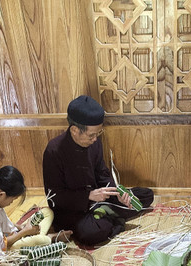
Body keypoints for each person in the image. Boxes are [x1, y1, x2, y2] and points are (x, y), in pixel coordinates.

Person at [42, 94, 153, 245]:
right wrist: (88, 196)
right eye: (91, 135)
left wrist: (118, 192)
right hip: (73, 209)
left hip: (99, 197)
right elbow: (54, 197)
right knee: (92, 233)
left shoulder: (94, 143)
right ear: (74, 130)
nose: (95, 139)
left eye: (98, 133)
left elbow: (102, 174)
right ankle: (113, 217)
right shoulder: (54, 151)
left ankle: (106, 211)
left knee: (146, 195)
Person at [0, 165, 71, 261]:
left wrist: (20, 227)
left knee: (47, 212)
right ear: (1, 195)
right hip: (6, 250)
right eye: (12, 200)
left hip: (14, 235)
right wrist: (25, 231)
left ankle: (36, 235)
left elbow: (3, 223)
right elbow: (1, 246)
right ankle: (50, 237)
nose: (11, 203)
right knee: (42, 240)